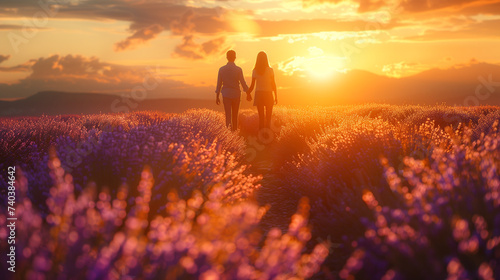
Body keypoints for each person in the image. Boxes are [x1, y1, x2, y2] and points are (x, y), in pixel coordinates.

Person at [215, 50, 249, 131]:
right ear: (235, 57)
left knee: (228, 116)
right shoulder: (238, 69)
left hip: (226, 94)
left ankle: (229, 135)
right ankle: (235, 133)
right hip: (236, 94)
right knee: (235, 116)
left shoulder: (222, 69)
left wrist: (217, 96)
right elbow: (243, 82)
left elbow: (219, 84)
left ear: (227, 57)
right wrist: (248, 92)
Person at [246, 51, 277, 129]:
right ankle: (268, 137)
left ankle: (261, 136)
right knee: (268, 118)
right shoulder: (270, 70)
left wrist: (248, 93)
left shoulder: (255, 71)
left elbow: (252, 86)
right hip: (268, 94)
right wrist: (276, 96)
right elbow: (273, 84)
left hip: (259, 94)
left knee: (261, 118)